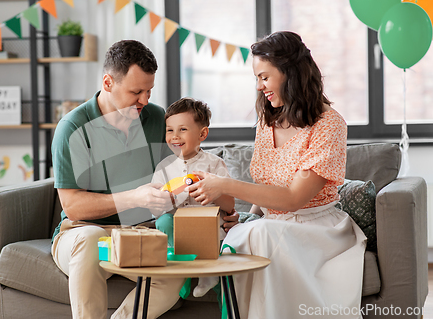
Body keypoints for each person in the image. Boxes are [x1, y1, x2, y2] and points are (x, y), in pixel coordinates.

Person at [187, 31, 366, 318]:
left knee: (261, 233)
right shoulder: (267, 120)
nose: (259, 87)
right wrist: (247, 215)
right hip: (272, 224)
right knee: (254, 230)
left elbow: (294, 198)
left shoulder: (329, 125)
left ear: (290, 74)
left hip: (317, 228)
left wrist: (226, 185)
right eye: (256, 78)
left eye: (265, 77)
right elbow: (268, 186)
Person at [51, 40, 185, 319]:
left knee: (178, 274)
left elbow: (181, 170)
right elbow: (73, 206)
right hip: (81, 231)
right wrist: (134, 197)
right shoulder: (72, 128)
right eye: (136, 92)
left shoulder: (156, 117)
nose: (145, 100)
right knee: (91, 238)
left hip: (141, 233)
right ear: (108, 82)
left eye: (149, 91)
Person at [151, 97, 235, 297]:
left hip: (207, 224)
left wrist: (212, 190)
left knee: (219, 225)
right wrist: (168, 196)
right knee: (163, 221)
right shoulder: (164, 167)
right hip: (178, 227)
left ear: (202, 133)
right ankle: (182, 270)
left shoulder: (214, 164)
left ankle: (208, 274)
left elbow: (230, 203)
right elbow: (154, 209)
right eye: (170, 130)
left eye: (183, 130)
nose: (175, 136)